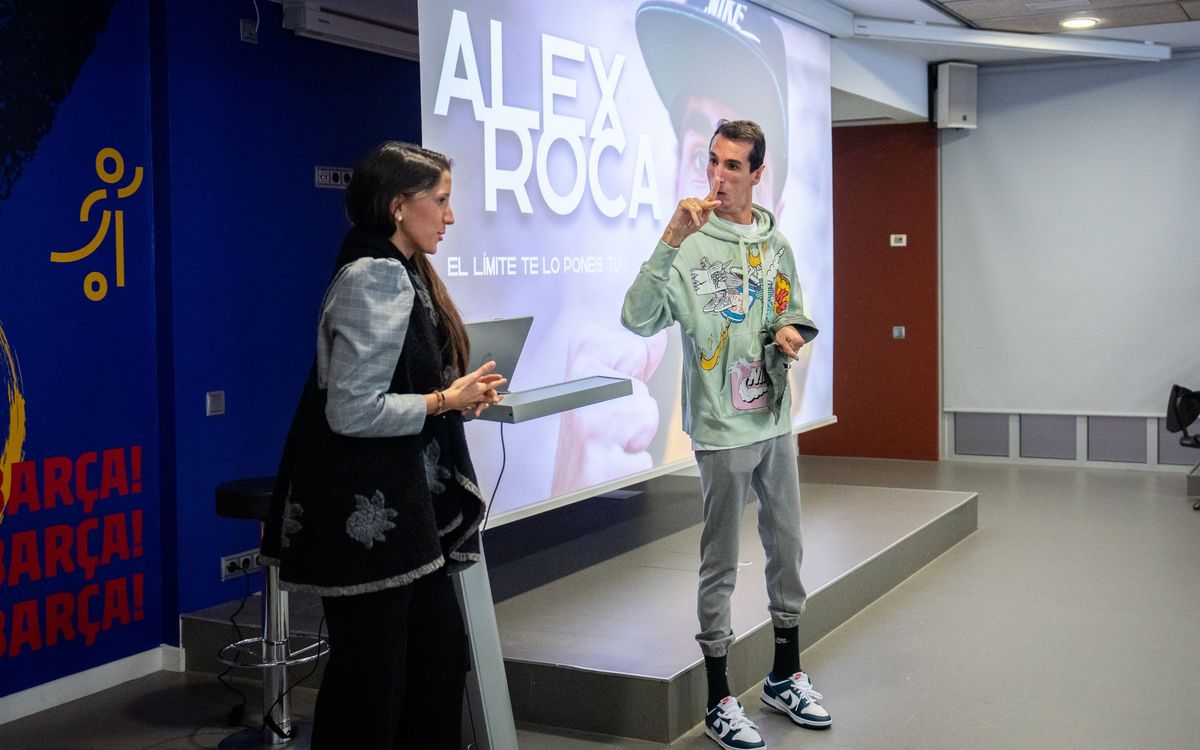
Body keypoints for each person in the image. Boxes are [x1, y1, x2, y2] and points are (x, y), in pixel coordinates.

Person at [260, 141, 505, 749]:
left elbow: (394, 392)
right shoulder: (376, 275)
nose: (450, 217)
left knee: (432, 661)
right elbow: (352, 410)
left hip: (395, 513)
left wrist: (453, 399)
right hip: (368, 517)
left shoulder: (402, 270)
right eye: (441, 201)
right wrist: (445, 402)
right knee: (375, 682)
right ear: (400, 206)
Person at [621, 120, 829, 750]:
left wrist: (791, 333)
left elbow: (791, 310)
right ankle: (718, 698)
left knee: (786, 547)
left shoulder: (776, 244)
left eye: (733, 166)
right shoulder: (688, 243)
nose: (718, 176)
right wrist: (668, 238)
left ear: (757, 174)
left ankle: (784, 674)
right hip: (719, 429)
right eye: (713, 161)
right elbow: (636, 318)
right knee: (720, 563)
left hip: (773, 421)